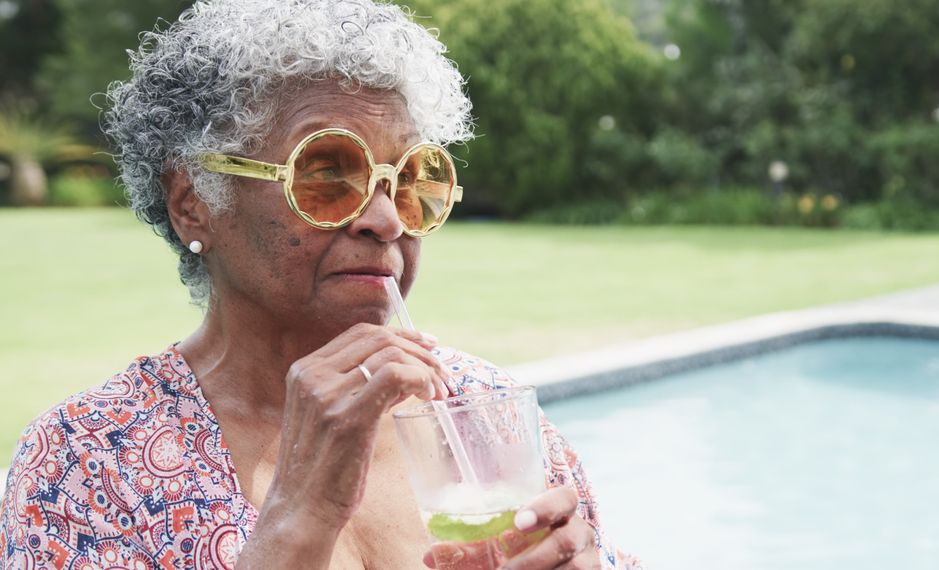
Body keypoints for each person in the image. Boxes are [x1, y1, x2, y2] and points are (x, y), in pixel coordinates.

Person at [0, 1, 642, 569]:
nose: (387, 218)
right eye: (326, 172)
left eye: (411, 178)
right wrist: (297, 520)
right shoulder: (88, 461)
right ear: (193, 201)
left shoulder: (487, 415)